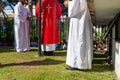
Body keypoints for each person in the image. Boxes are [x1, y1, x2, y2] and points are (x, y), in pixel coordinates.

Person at [66, 0, 93, 70]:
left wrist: (68, 3)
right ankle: (80, 64)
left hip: (78, 19)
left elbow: (74, 8)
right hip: (81, 16)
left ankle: (76, 64)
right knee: (80, 40)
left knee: (76, 40)